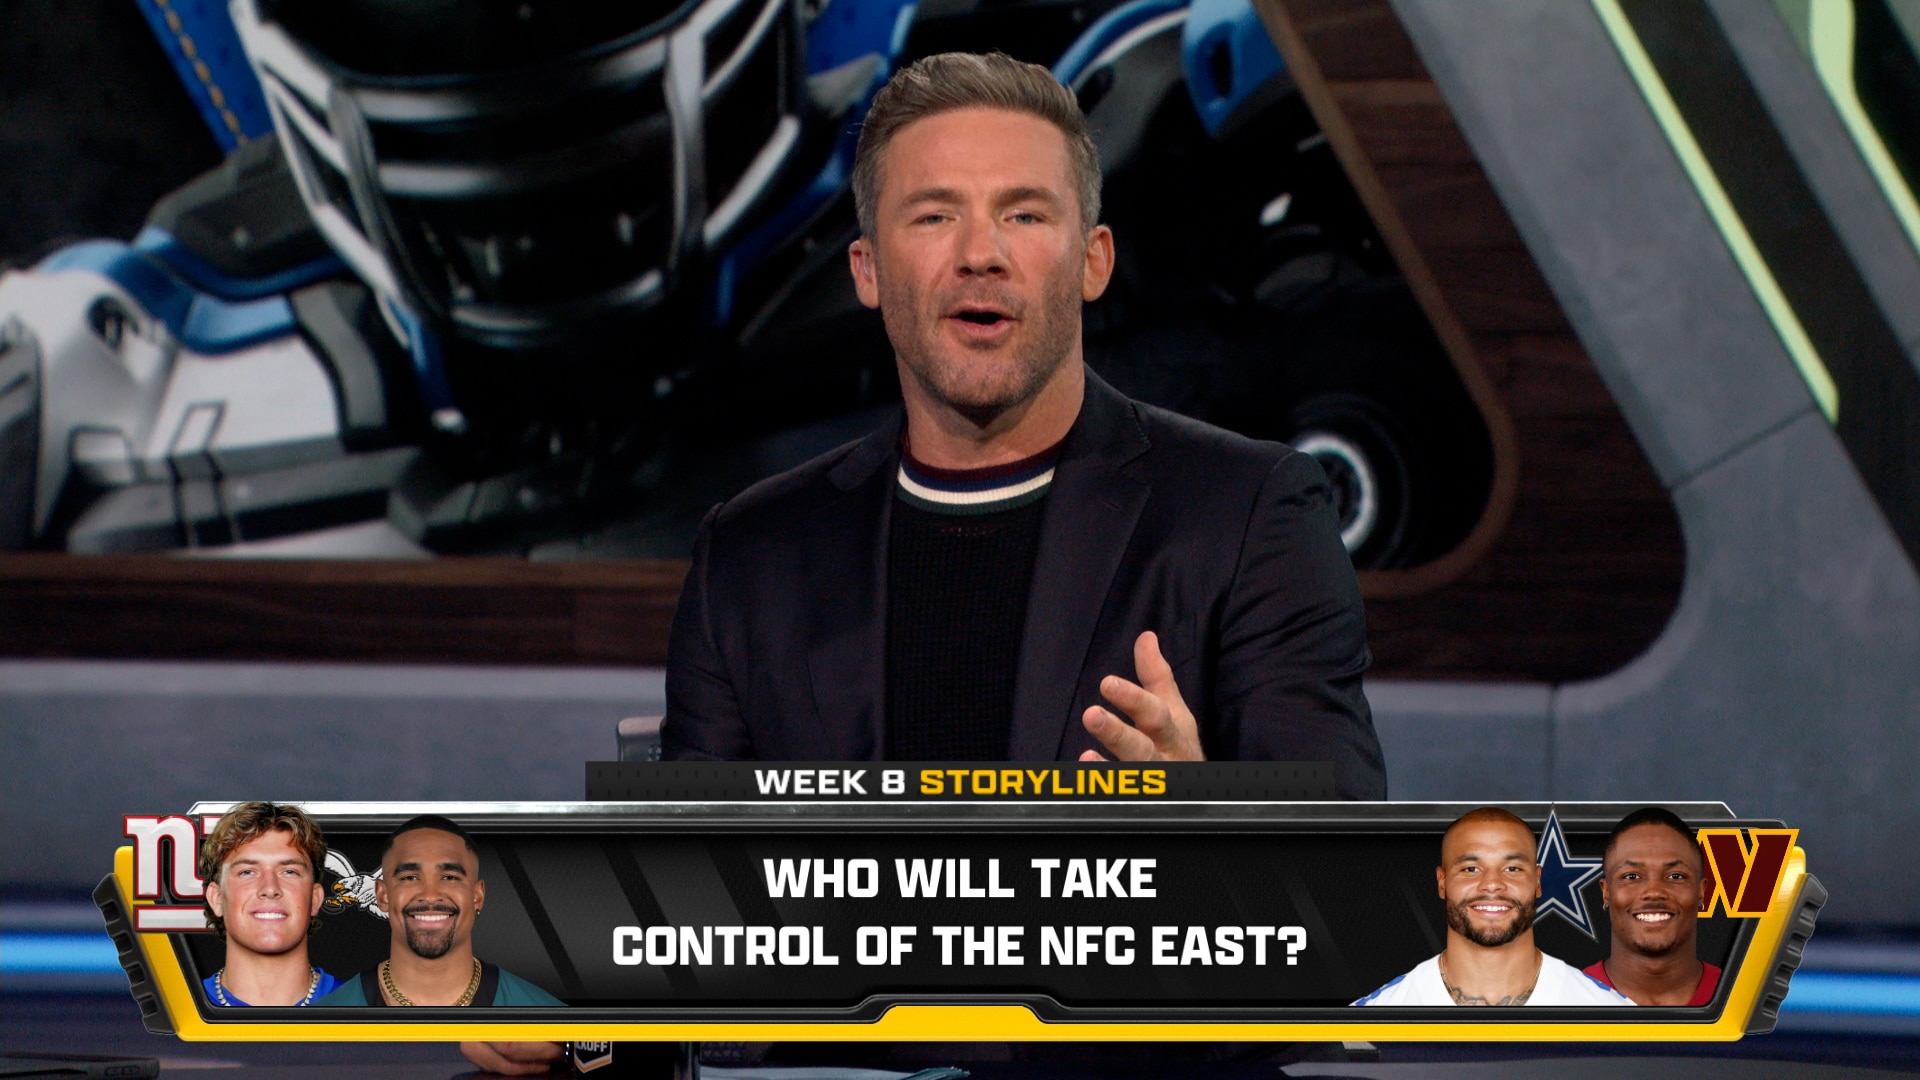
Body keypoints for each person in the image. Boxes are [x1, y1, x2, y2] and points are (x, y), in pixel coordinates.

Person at [660, 51, 1385, 797]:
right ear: (867, 270)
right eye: (935, 216)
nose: (981, 254)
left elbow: (1341, 854)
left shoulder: (1250, 520)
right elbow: (687, 862)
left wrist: (1202, 812)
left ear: (1093, 261)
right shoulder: (747, 559)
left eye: (1025, 214)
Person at [1355, 808, 1632, 1006]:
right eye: (1471, 869)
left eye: (1512, 869)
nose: (1491, 884)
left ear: (1537, 881)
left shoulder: (1613, 1016)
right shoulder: (1369, 1020)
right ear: (1442, 882)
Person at [315, 815, 563, 1008]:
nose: (431, 894)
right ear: (382, 896)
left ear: (477, 896)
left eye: (450, 877)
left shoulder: (551, 1022)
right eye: (410, 877)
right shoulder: (322, 1022)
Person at [198, 802, 340, 1006]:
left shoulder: (361, 1006)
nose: (270, 888)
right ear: (217, 898)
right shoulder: (178, 1008)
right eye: (247, 872)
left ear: (315, 898)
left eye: (289, 872)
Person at [1585, 807, 1721, 1006]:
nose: (1654, 892)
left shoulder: (1743, 997)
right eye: (1632, 876)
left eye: (1676, 876)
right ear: (1606, 892)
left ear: (1701, 891)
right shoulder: (1563, 999)